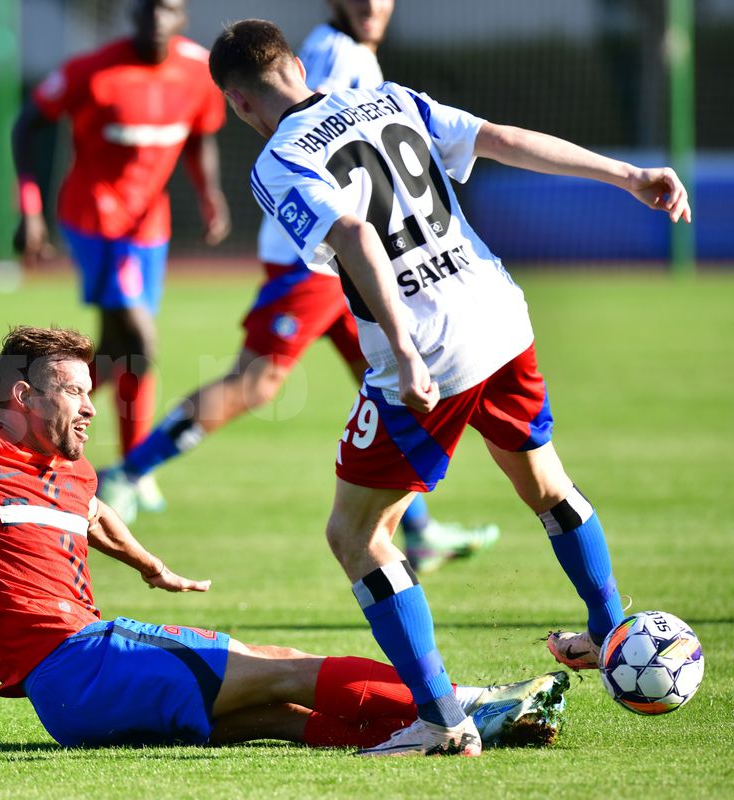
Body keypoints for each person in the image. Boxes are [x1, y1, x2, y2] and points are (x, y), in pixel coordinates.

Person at [0, 325, 567, 750]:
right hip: (74, 666)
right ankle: (459, 701)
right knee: (274, 666)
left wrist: (144, 560)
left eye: (91, 391)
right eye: (73, 392)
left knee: (281, 712)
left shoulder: (76, 469)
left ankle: (417, 731)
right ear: (21, 397)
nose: (89, 404)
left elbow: (87, 508)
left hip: (95, 667)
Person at [207, 19, 690, 755]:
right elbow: (499, 137)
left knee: (357, 535)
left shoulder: (277, 160)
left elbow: (356, 238)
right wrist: (627, 176)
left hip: (429, 346)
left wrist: (403, 349)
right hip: (499, 311)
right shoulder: (390, 98)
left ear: (239, 105)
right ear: (300, 66)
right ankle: (609, 633)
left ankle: (439, 719)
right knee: (546, 485)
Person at [100, 0, 496, 576]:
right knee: (256, 382)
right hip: (315, 262)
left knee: (388, 385)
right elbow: (315, 149)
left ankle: (419, 530)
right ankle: (129, 473)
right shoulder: (333, 57)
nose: (371, 6)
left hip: (351, 264)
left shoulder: (349, 53)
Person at [11, 0, 231, 516]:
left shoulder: (200, 71)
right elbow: (26, 124)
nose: (157, 19)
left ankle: (31, 420)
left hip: (149, 225)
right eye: (148, 8)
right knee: (142, 338)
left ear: (183, 16)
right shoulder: (90, 73)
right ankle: (129, 470)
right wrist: (31, 209)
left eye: (169, 8)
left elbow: (200, 137)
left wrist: (208, 194)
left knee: (118, 352)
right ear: (132, 15)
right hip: (94, 219)